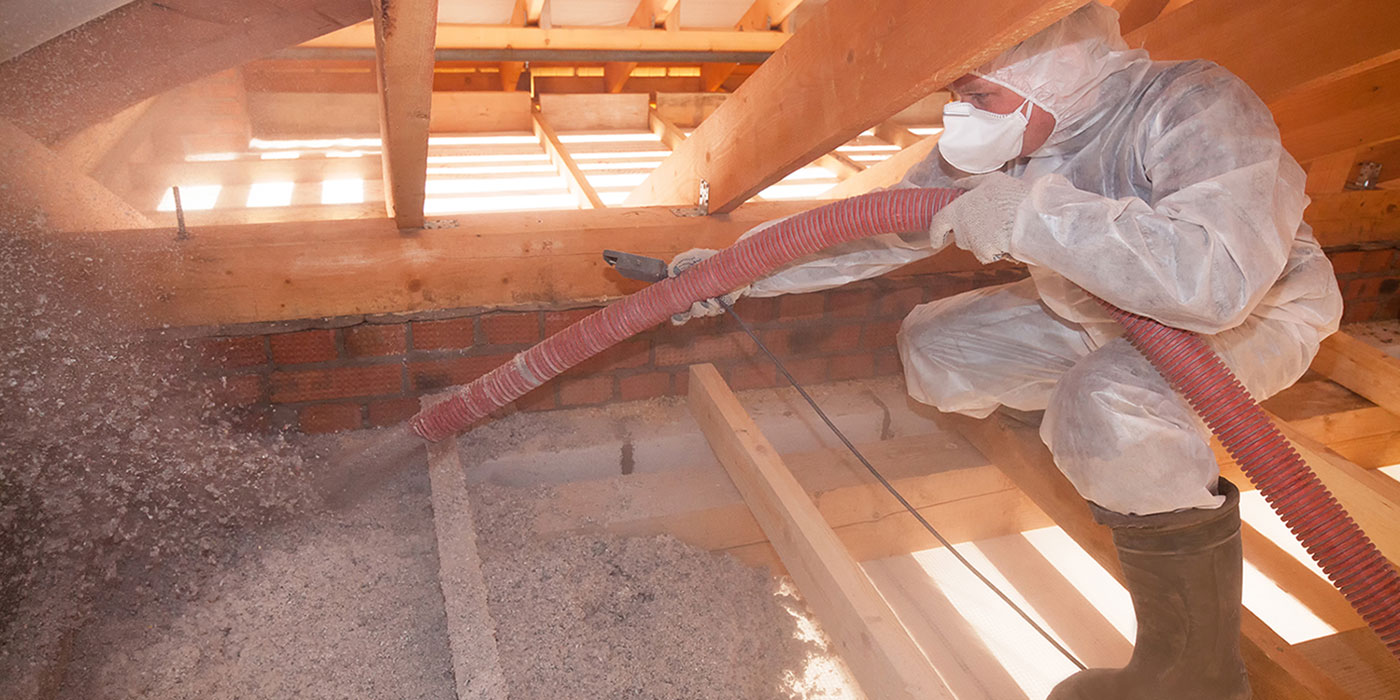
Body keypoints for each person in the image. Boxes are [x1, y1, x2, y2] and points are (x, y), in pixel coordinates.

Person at [669, 3, 1343, 698]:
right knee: (935, 347)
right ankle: (1090, 438)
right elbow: (877, 228)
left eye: (978, 94)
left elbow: (1215, 280)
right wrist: (736, 273)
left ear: (1056, 68)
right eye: (954, 95)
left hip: (1248, 318)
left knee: (1106, 401)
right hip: (1095, 316)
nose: (962, 114)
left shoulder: (1194, 103)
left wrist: (1034, 218)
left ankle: (1194, 674)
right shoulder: (1012, 133)